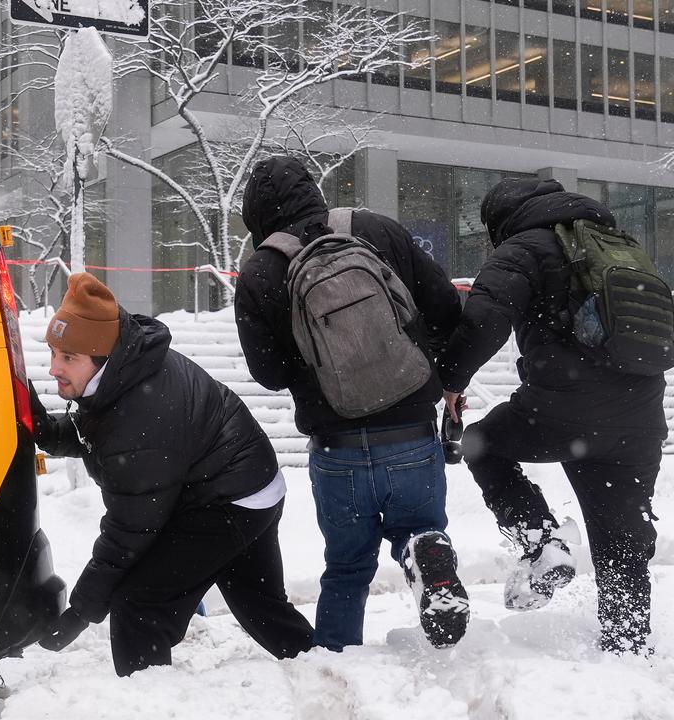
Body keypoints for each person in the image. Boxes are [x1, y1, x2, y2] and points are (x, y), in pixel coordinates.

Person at [235, 155, 468, 651]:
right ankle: (425, 550)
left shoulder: (259, 270)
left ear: (255, 215)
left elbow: (269, 375)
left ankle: (338, 668)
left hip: (336, 445)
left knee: (346, 568)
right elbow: (447, 307)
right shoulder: (377, 230)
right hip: (410, 432)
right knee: (419, 527)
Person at [32, 272, 314, 675]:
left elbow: (129, 532)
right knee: (261, 606)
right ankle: (319, 669)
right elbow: (95, 434)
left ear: (101, 359)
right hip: (250, 484)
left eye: (68, 358)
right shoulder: (125, 371)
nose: (54, 368)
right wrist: (43, 429)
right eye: (54, 353)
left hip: (227, 498)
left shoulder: (139, 414)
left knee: (139, 606)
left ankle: (150, 699)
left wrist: (81, 611)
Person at [436, 177, 666, 655]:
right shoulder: (620, 245)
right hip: (640, 419)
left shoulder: (523, 247)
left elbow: (483, 320)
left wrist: (452, 380)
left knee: (481, 442)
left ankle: (542, 542)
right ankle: (627, 649)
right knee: (620, 536)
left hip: (563, 410)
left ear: (501, 219)